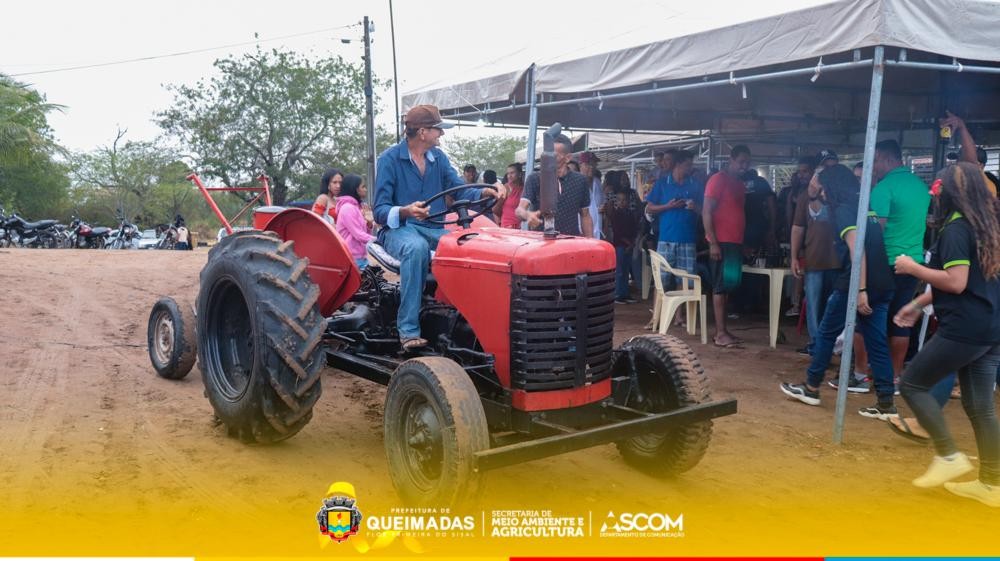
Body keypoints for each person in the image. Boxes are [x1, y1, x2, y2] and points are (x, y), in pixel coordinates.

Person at [891, 162, 1000, 506]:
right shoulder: (988, 226)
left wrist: (912, 268)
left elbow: (956, 282)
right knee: (980, 406)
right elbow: (974, 282)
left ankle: (949, 456)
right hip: (990, 327)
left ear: (948, 193)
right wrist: (920, 303)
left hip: (965, 328)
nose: (933, 194)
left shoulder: (955, 230)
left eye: (936, 188)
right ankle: (993, 485)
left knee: (912, 384)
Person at [374, 104, 506, 350]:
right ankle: (408, 330)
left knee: (471, 247)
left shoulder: (439, 159)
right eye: (438, 130)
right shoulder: (389, 160)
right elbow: (380, 211)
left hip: (433, 227)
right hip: (398, 229)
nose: (441, 134)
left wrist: (484, 190)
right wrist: (406, 210)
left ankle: (474, 323)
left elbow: (460, 189)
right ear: (423, 132)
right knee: (416, 248)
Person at [780, 164, 897, 418]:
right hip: (883, 282)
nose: (821, 192)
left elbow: (857, 251)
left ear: (831, 188)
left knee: (825, 333)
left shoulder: (844, 210)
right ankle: (886, 402)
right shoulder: (865, 207)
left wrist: (861, 290)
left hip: (856, 284)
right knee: (877, 342)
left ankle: (811, 387)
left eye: (822, 188)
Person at [853, 139, 931, 391]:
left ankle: (860, 375)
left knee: (865, 317)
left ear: (886, 159)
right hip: (913, 264)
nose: (873, 166)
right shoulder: (920, 186)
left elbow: (877, 229)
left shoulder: (883, 188)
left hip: (884, 262)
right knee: (901, 319)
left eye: (875, 161)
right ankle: (895, 378)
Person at [791, 167, 841, 357]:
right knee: (813, 305)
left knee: (834, 306)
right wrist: (795, 257)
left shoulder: (840, 194)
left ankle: (833, 345)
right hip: (814, 259)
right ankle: (816, 346)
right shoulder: (805, 196)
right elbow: (798, 227)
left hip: (839, 261)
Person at [703, 145, 750, 348]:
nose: (744, 166)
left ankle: (724, 330)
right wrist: (713, 242)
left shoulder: (739, 184)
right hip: (721, 242)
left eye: (747, 162)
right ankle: (720, 333)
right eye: (741, 162)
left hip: (734, 242)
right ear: (731, 160)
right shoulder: (718, 179)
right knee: (720, 287)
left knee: (729, 285)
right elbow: (706, 211)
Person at [646, 149, 701, 298]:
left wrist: (695, 207)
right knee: (661, 280)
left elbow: (704, 210)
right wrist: (668, 206)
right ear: (678, 164)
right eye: (687, 165)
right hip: (667, 238)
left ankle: (679, 317)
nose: (690, 168)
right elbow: (649, 207)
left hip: (687, 239)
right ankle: (656, 317)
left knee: (686, 281)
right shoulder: (663, 183)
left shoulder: (694, 184)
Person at [515, 133, 593, 237]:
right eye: (546, 154)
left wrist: (590, 242)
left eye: (554, 155)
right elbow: (519, 210)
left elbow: (585, 215)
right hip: (540, 243)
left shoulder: (580, 181)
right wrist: (528, 215)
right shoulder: (534, 178)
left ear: (568, 158)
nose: (548, 158)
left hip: (570, 243)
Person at [335, 174, 375, 269]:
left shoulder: (355, 207)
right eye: (363, 187)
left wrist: (369, 224)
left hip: (360, 257)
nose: (365, 189)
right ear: (356, 189)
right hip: (353, 259)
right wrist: (380, 241)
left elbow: (363, 233)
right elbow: (358, 235)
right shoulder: (347, 208)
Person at [608, 184, 640, 304]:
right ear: (616, 201)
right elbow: (618, 231)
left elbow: (634, 229)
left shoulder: (630, 214)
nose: (622, 202)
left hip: (629, 245)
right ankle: (617, 294)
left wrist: (632, 243)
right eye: (620, 200)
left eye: (624, 200)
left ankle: (625, 293)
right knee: (620, 270)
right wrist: (629, 244)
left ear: (628, 201)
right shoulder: (616, 214)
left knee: (626, 270)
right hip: (620, 245)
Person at [579, 151, 604, 239]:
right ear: (580, 165)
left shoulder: (598, 183)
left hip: (598, 231)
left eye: (594, 164)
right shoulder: (576, 183)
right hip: (581, 233)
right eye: (588, 164)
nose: (592, 167)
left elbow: (602, 203)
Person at [494, 163, 525, 229]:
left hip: (522, 228)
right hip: (507, 227)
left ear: (520, 174)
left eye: (512, 173)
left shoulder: (525, 189)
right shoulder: (506, 188)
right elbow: (496, 209)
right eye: (508, 173)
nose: (509, 176)